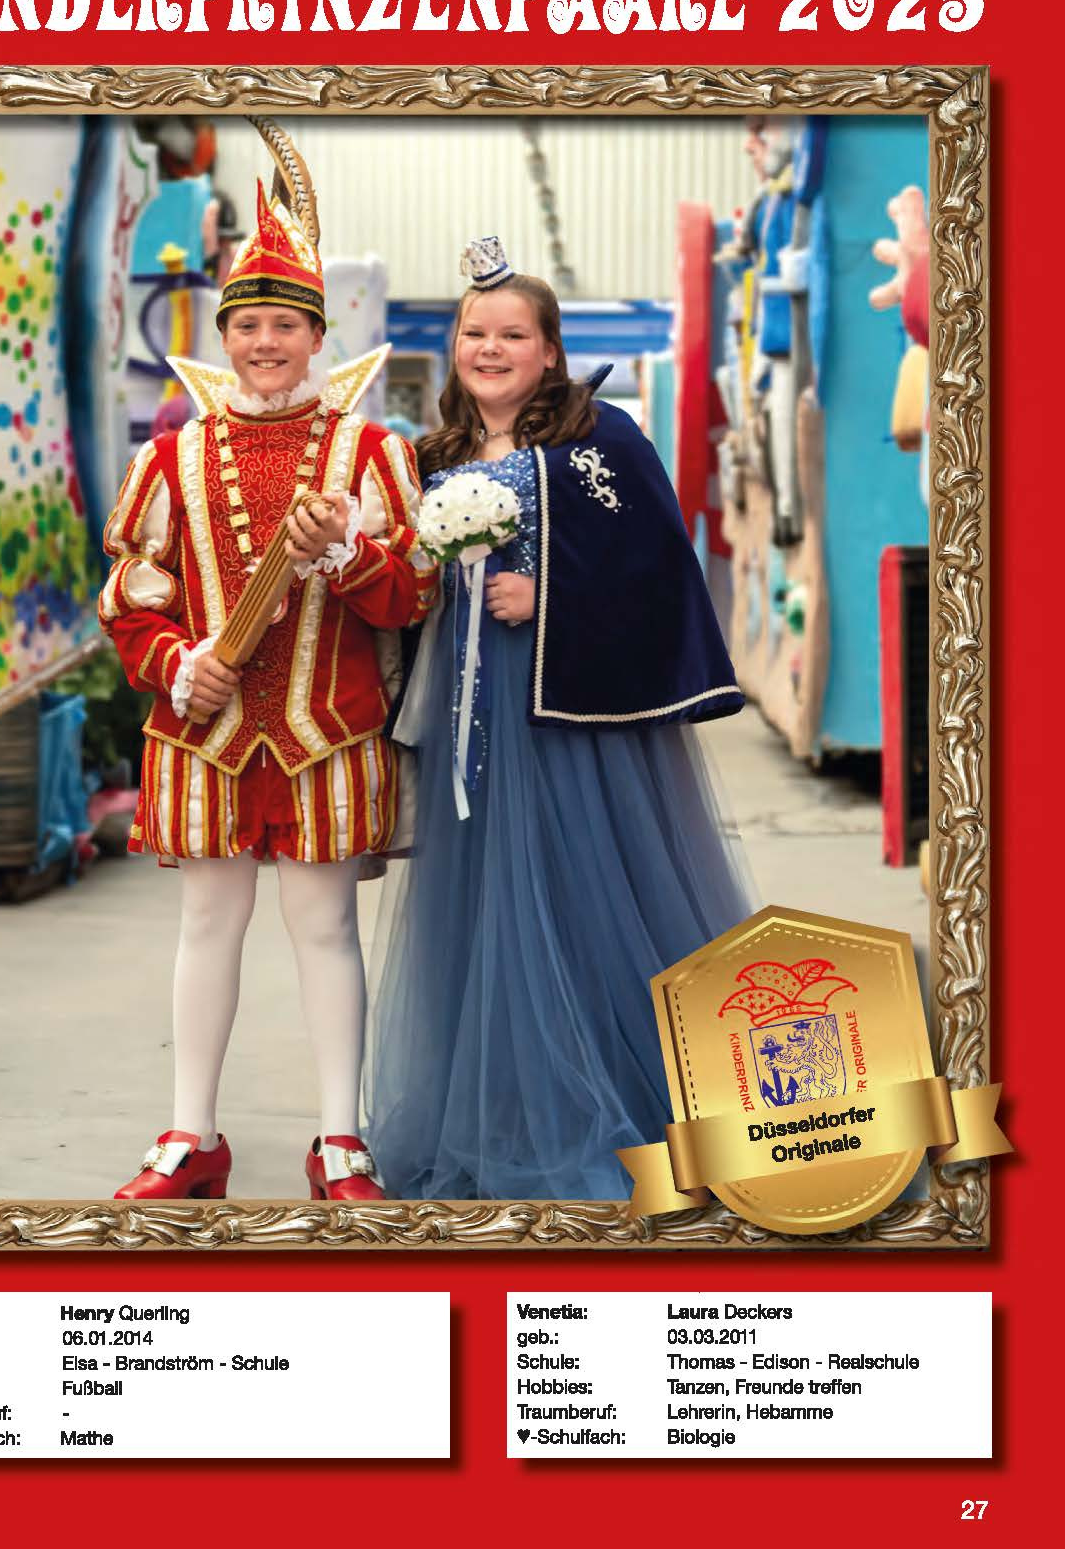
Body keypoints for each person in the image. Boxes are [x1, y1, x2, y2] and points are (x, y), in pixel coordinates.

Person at [365, 237, 754, 1201]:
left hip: (568, 715)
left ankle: (631, 1098)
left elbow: (660, 569)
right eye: (474, 333)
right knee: (486, 915)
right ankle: (506, 1110)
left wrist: (550, 598)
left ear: (548, 350)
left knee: (583, 897)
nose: (489, 349)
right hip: (471, 716)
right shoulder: (431, 453)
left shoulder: (601, 441)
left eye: (512, 335)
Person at [99, 156, 436, 1203]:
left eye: (285, 323)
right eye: (246, 324)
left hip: (327, 732)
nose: (264, 342)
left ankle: (340, 1140)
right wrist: (176, 662)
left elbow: (411, 596)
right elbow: (131, 596)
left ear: (318, 334)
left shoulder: (372, 454)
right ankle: (190, 1135)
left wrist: (348, 559)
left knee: (326, 930)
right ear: (222, 334)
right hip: (200, 738)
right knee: (206, 926)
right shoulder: (170, 458)